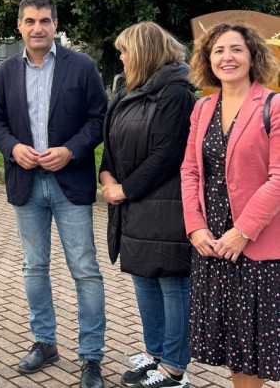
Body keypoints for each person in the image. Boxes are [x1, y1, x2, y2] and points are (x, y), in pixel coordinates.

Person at [0, 0, 107, 388]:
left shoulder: (82, 67)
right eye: (30, 21)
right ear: (19, 26)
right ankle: (45, 342)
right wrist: (13, 148)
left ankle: (91, 356)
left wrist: (71, 150)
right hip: (26, 184)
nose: (38, 27)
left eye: (45, 21)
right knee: (34, 267)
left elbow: (98, 118)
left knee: (84, 270)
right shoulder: (5, 71)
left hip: (70, 183)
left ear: (56, 25)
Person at [181, 23, 280, 388]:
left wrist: (242, 232)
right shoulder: (202, 108)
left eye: (236, 49)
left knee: (258, 348)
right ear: (208, 59)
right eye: (219, 50)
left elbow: (279, 178)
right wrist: (195, 225)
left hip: (257, 249)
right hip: (212, 246)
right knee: (237, 350)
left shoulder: (274, 105)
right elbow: (190, 171)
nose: (228, 57)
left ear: (252, 55)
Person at [99, 22, 195, 388]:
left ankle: (174, 369)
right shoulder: (128, 90)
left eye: (125, 51)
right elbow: (110, 141)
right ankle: (155, 356)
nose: (120, 57)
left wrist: (125, 189)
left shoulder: (176, 93)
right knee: (144, 282)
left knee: (172, 285)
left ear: (142, 52)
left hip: (166, 206)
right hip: (134, 205)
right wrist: (106, 176)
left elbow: (167, 154)